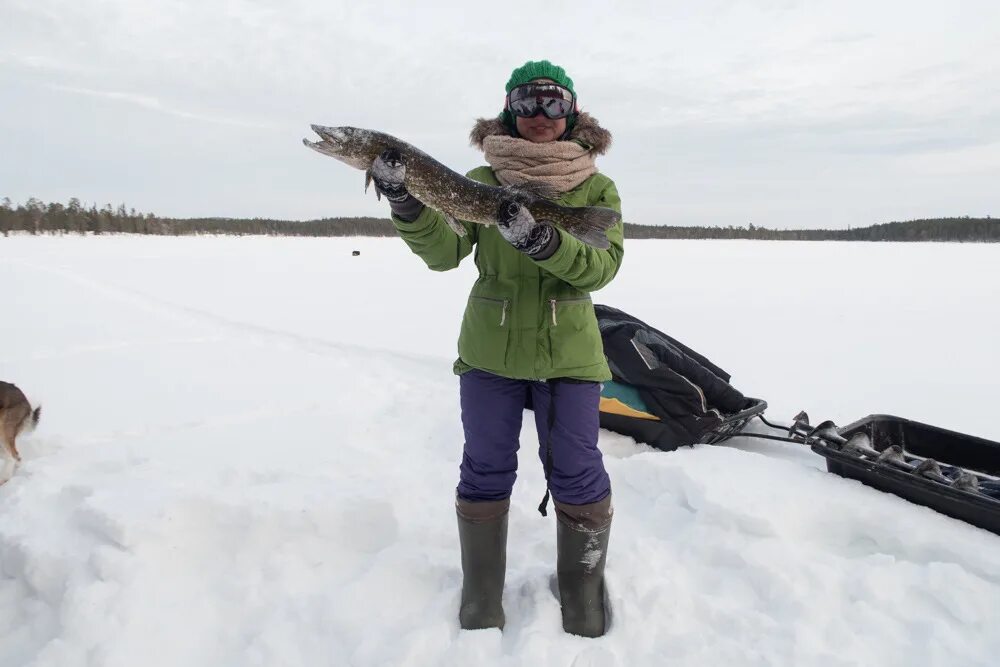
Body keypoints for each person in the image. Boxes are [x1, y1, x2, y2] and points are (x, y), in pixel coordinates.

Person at [370, 60, 624, 638]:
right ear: (509, 109)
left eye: (554, 103)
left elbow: (600, 268)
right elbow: (442, 254)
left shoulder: (596, 188)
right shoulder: (478, 180)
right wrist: (408, 205)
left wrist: (541, 240)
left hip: (570, 355)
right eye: (528, 103)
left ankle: (581, 588)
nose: (540, 116)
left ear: (574, 112)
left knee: (578, 471)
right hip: (490, 354)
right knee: (485, 468)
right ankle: (482, 591)